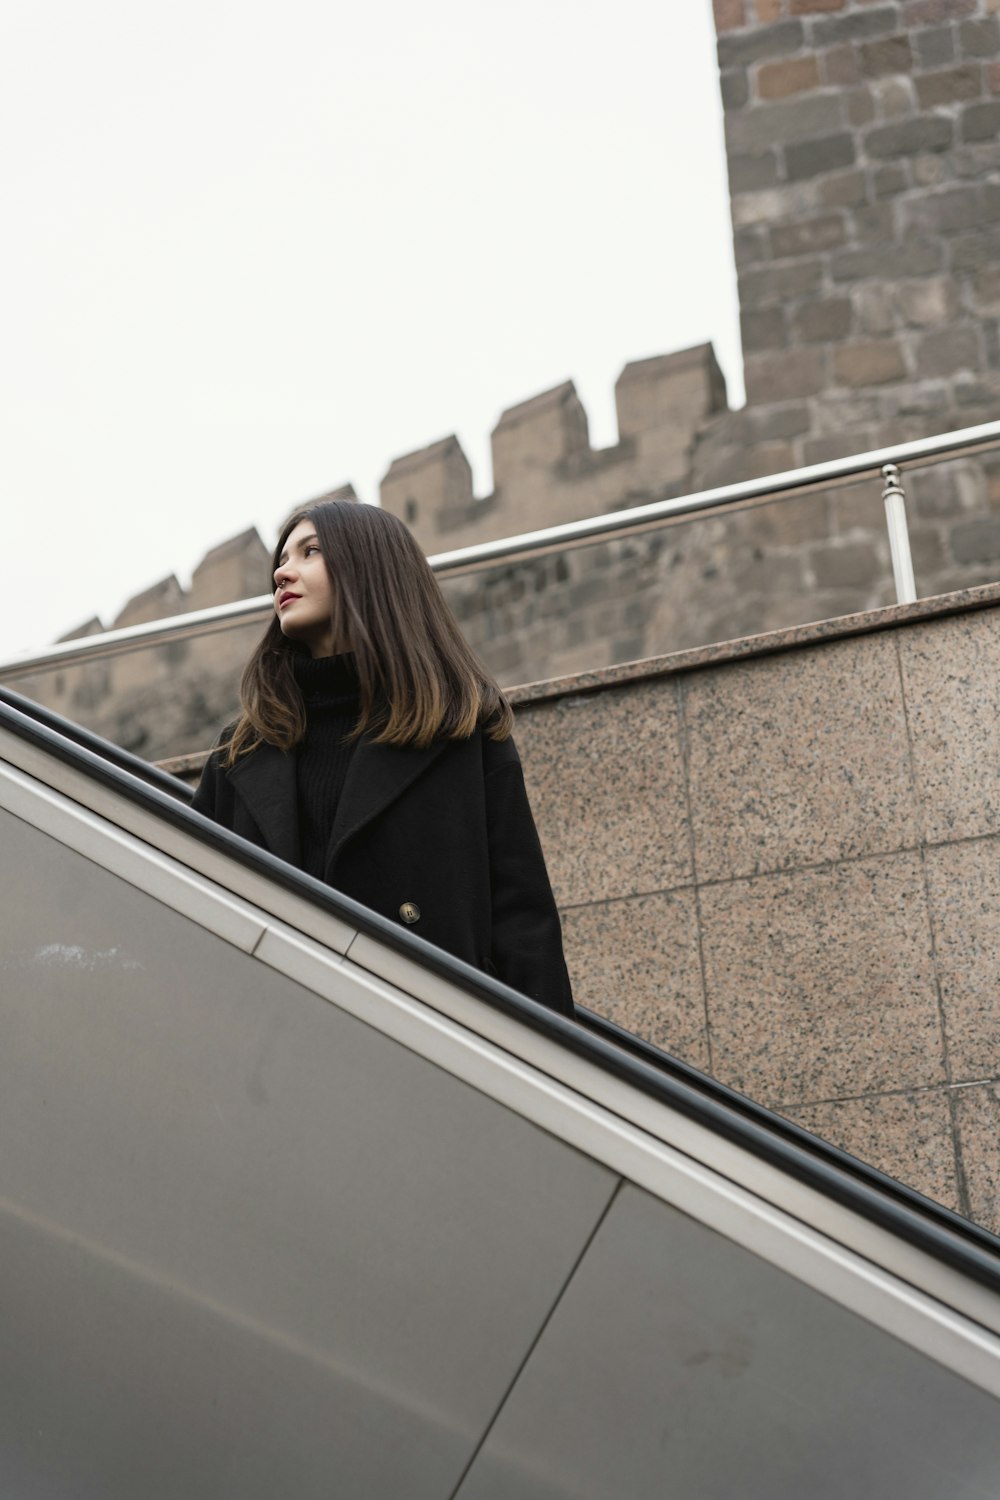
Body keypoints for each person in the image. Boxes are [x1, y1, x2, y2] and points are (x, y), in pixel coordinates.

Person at [192, 499, 574, 1018]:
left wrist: (548, 1070)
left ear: (370, 567)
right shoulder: (239, 754)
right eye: (282, 559)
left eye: (311, 552)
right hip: (273, 1043)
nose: (283, 571)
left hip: (430, 1037)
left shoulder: (460, 728)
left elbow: (522, 922)